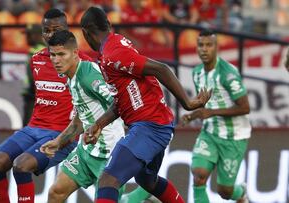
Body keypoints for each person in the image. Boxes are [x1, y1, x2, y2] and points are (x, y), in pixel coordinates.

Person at [80, 6, 211, 203]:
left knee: (108, 180)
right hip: (154, 123)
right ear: (109, 24)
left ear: (85, 32)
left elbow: (161, 69)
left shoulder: (113, 53)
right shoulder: (114, 47)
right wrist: (99, 124)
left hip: (150, 125)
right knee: (147, 180)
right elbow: (121, 101)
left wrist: (188, 103)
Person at [0, 8, 91, 203]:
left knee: (21, 165)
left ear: (67, 30)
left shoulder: (84, 64)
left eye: (56, 29)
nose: (50, 35)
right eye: (46, 30)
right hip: (33, 128)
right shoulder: (36, 60)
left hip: (61, 134)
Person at [40, 30, 152, 203]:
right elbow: (81, 118)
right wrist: (59, 141)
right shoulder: (71, 77)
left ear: (75, 53)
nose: (56, 60)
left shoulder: (88, 75)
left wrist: (100, 127)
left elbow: (118, 102)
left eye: (61, 54)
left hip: (108, 154)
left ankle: (143, 195)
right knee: (56, 192)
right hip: (86, 151)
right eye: (52, 55)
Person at [181, 29, 250, 203]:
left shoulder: (228, 74)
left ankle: (240, 193)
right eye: (200, 45)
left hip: (233, 136)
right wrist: (192, 115)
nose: (204, 49)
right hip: (210, 132)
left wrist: (211, 112)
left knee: (224, 191)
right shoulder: (197, 72)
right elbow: (206, 105)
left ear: (216, 47)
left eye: (209, 45)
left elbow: (245, 107)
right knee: (198, 175)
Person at [22, 24, 46, 125]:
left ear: (37, 36)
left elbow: (34, 75)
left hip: (33, 95)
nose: (26, 38)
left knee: (29, 127)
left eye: (29, 35)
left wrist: (33, 91)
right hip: (41, 96)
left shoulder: (35, 52)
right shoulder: (46, 50)